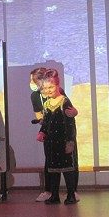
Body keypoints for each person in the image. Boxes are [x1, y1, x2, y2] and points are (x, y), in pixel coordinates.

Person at [29, 68, 79, 202]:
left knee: (67, 169)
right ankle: (54, 195)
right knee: (53, 169)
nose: (48, 90)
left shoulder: (64, 102)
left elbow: (70, 124)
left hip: (63, 140)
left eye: (51, 87)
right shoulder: (46, 104)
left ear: (57, 85)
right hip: (51, 142)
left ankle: (71, 194)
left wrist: (70, 142)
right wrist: (42, 132)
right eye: (46, 88)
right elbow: (46, 121)